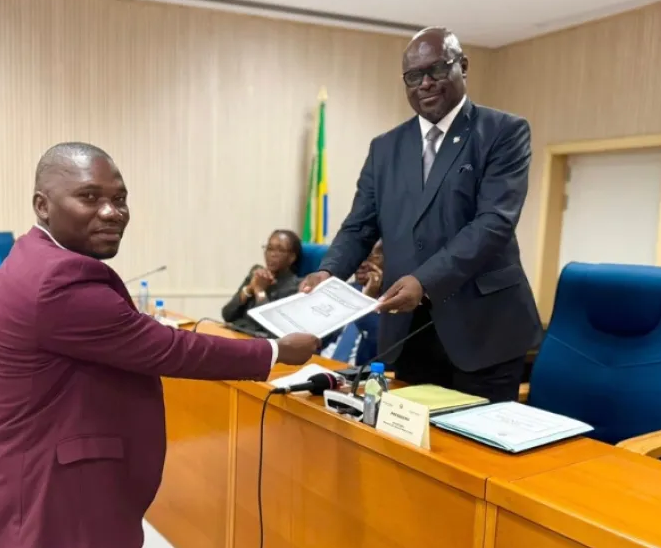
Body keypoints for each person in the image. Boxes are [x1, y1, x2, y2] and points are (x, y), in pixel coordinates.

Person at [0, 142, 319, 548]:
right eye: (89, 197)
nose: (111, 212)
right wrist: (274, 350)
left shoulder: (38, 256)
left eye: (119, 199)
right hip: (35, 509)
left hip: (35, 497)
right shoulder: (59, 278)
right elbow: (166, 349)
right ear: (42, 205)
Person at [300, 27, 542, 402]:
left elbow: (494, 223)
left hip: (484, 333)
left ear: (462, 66)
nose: (425, 83)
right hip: (409, 333)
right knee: (413, 448)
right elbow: (360, 225)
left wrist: (424, 281)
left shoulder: (503, 132)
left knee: (476, 456)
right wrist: (328, 271)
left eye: (437, 70)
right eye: (414, 76)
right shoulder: (385, 148)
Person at [221, 229, 302, 334]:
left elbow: (273, 330)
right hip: (235, 334)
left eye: (280, 250)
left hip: (258, 344)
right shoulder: (257, 274)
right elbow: (227, 315)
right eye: (269, 248)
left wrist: (260, 291)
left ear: (292, 257)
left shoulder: (295, 287)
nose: (272, 254)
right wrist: (249, 289)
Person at [321, 241, 383, 366]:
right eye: (358, 257)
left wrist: (368, 302)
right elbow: (321, 336)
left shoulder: (397, 299)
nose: (361, 264)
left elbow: (378, 350)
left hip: (357, 372)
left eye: (370, 257)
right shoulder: (346, 290)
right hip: (323, 361)